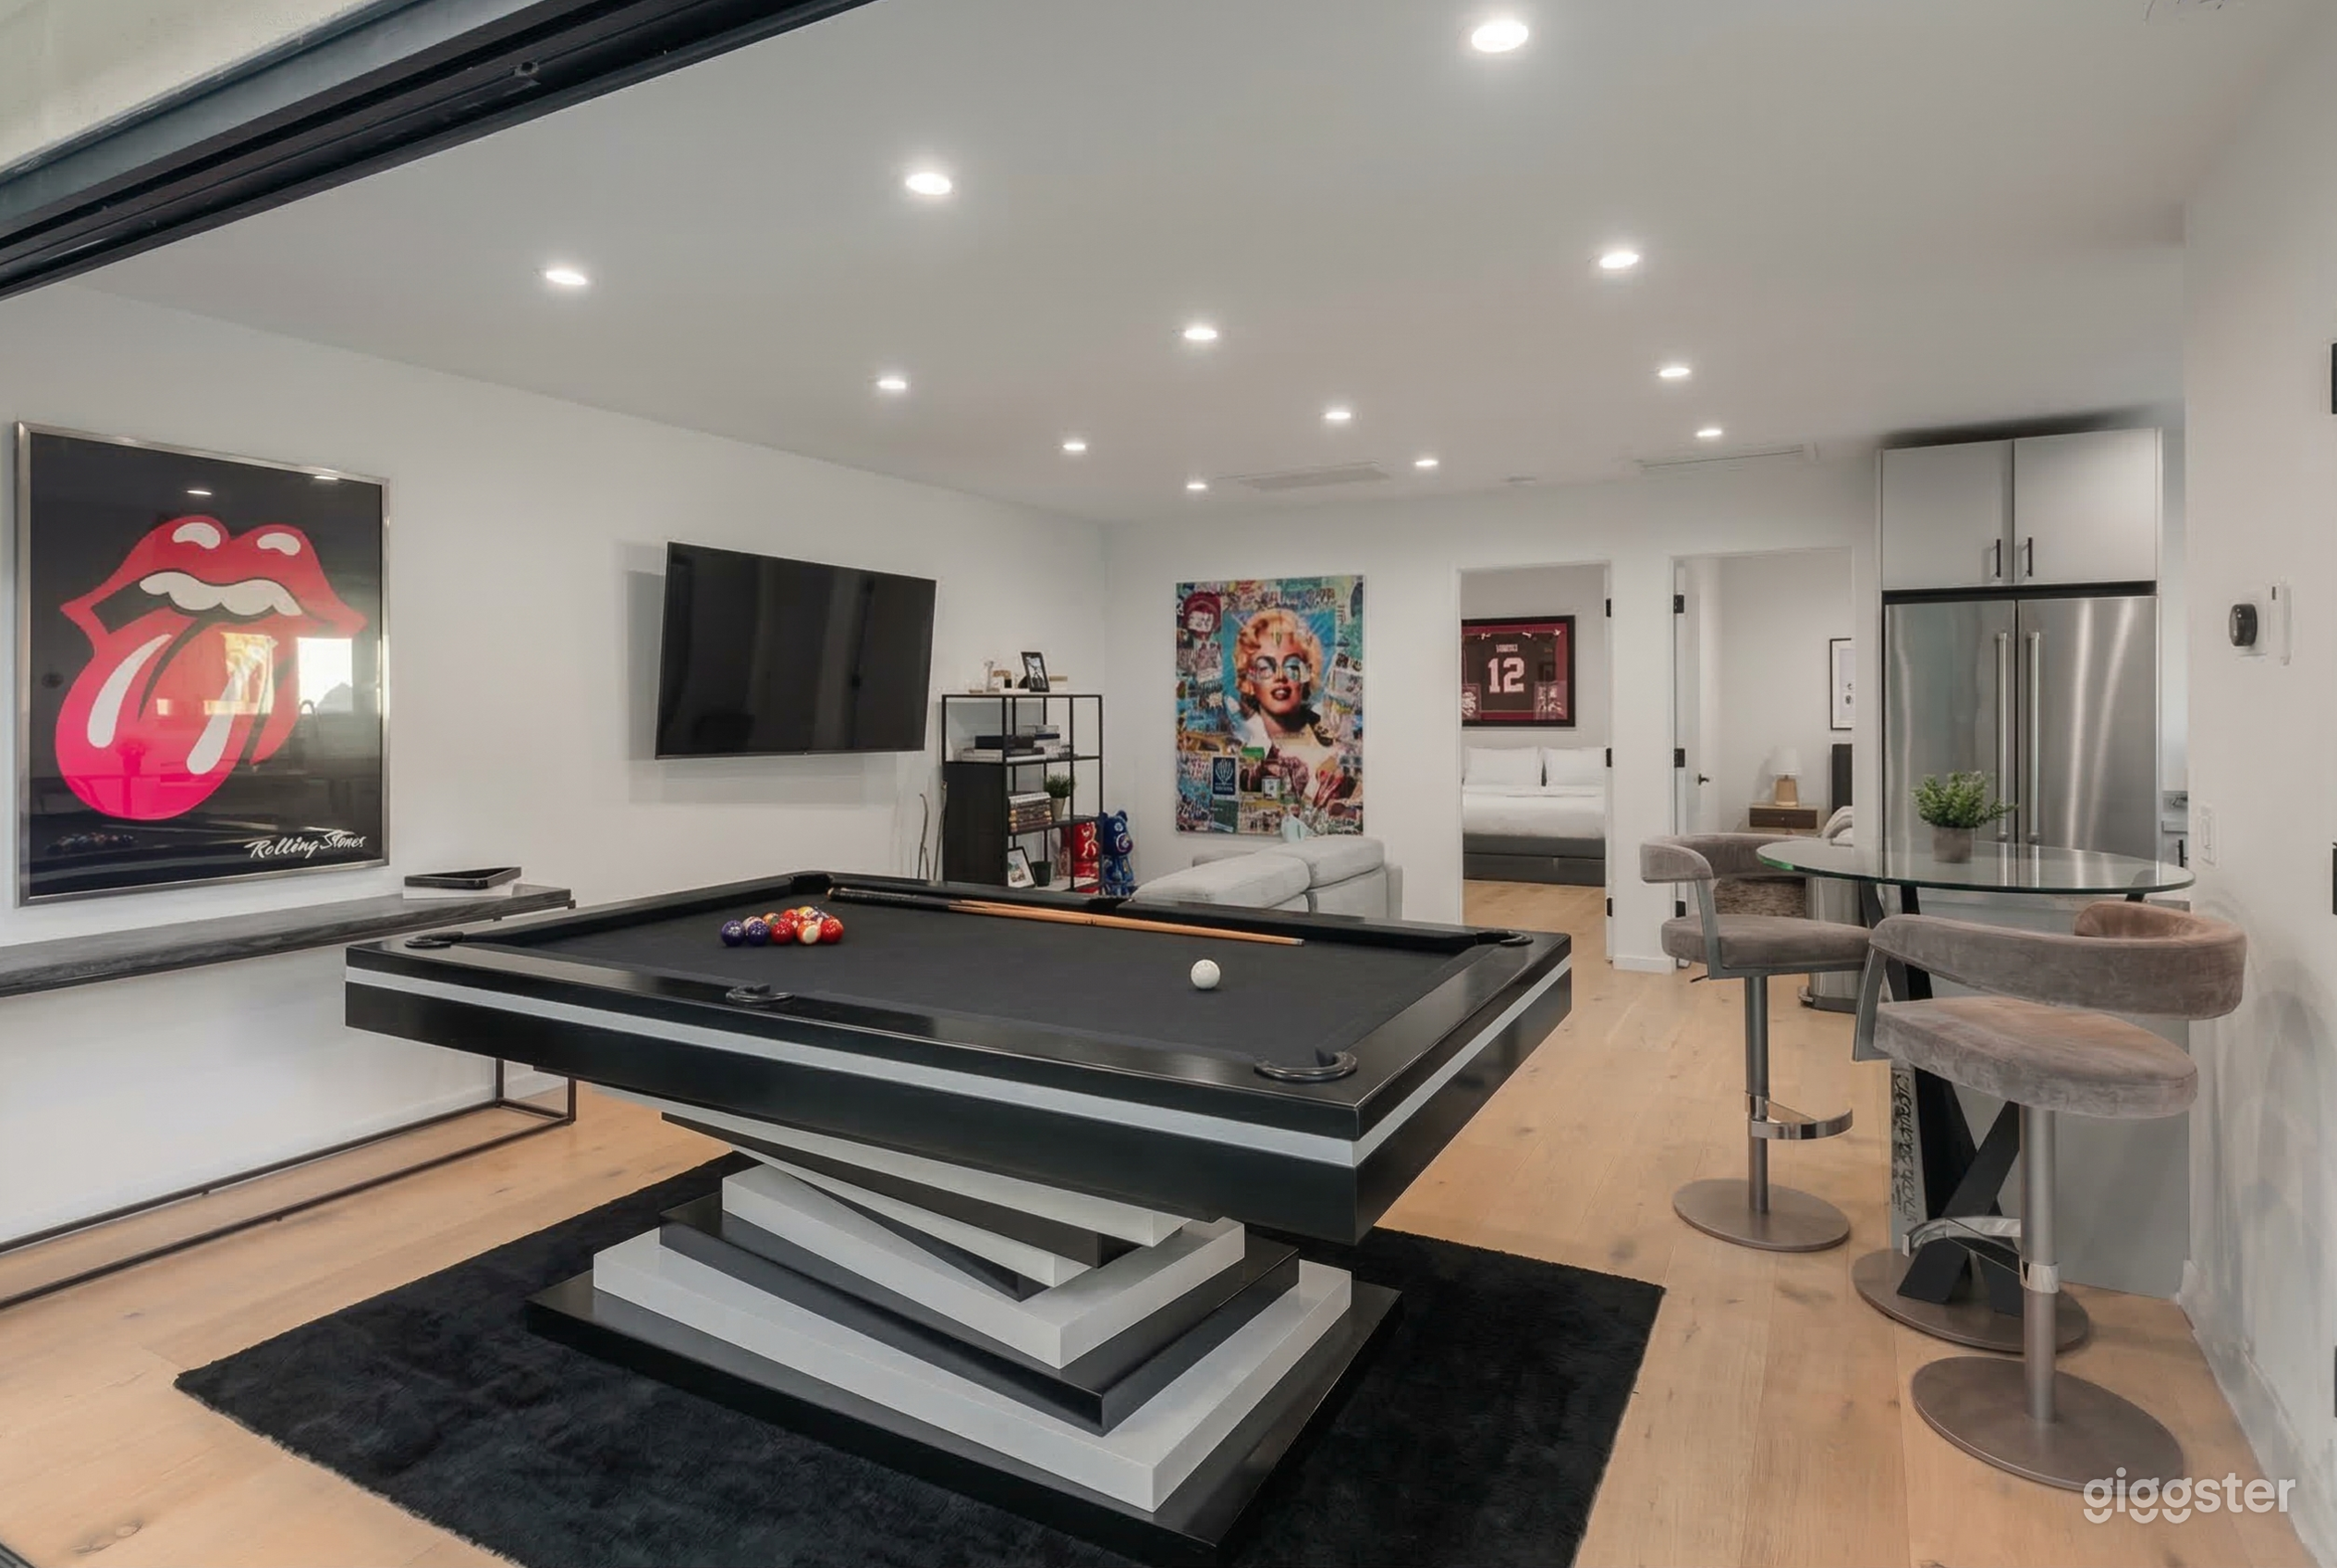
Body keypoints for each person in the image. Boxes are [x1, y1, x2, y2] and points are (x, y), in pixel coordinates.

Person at [1230, 607, 1352, 814]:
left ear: (1306, 678)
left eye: (1292, 666)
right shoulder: (1240, 746)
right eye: (1266, 667)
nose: (1280, 677)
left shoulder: (1333, 751)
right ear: (1248, 681)